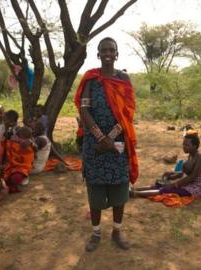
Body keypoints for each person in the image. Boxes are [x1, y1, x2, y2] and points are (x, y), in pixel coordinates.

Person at [75, 37, 139, 252]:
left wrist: (110, 137)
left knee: (120, 190)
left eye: (112, 49)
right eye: (104, 50)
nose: (108, 53)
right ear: (98, 54)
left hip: (117, 144)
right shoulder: (91, 79)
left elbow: (128, 112)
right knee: (95, 191)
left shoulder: (124, 79)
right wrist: (101, 138)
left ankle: (117, 231)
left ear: (117, 53)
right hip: (95, 145)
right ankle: (95, 233)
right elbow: (84, 110)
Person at [132, 133, 201, 198]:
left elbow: (192, 176)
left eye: (186, 145)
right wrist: (170, 174)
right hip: (191, 184)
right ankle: (135, 189)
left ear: (194, 146)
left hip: (200, 188)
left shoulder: (200, 157)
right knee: (160, 185)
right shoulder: (191, 156)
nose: (184, 146)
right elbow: (181, 174)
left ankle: (135, 194)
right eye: (183, 144)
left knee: (166, 190)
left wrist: (173, 185)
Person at [0, 124, 35, 192]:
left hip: (22, 168)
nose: (15, 136)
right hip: (11, 166)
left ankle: (11, 187)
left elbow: (27, 161)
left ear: (23, 136)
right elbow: (8, 153)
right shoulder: (13, 142)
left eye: (18, 135)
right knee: (2, 175)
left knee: (15, 178)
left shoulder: (29, 144)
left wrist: (30, 143)